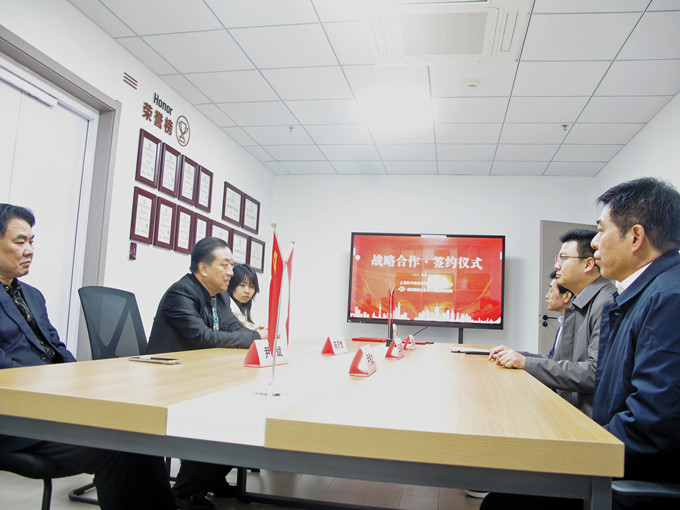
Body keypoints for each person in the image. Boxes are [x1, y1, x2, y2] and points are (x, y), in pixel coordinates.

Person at [0, 204, 175, 510]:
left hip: (53, 404)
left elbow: (55, 345)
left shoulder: (32, 294)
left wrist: (80, 382)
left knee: (140, 431)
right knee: (118, 446)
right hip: (16, 417)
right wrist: (54, 388)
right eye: (20, 241)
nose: (29, 250)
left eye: (32, 241)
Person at [145, 237, 265, 510]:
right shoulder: (181, 294)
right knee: (225, 417)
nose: (231, 272)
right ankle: (183, 493)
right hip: (169, 381)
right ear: (203, 268)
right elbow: (203, 338)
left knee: (243, 409)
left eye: (231, 265)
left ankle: (211, 479)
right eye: (225, 265)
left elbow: (236, 329)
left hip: (199, 377)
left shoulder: (219, 296)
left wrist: (251, 337)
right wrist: (253, 337)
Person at [589, 177, 680, 509]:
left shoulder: (668, 299)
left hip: (633, 482)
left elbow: (652, 424)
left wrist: (580, 450)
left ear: (635, 237)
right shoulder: (645, 294)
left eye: (601, 230)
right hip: (617, 465)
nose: (594, 243)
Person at [488, 229, 616, 416]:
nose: (557, 266)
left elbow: (594, 373)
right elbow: (559, 361)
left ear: (588, 264)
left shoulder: (606, 303)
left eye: (564, 258)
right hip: (568, 410)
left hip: (587, 419)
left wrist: (526, 363)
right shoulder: (581, 303)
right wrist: (518, 357)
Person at [227, 264, 262, 332]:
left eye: (251, 286)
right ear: (232, 285)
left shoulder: (253, 316)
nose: (247, 291)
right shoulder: (225, 310)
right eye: (242, 285)